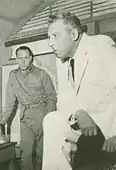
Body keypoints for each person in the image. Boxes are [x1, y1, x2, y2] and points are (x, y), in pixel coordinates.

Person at [42, 11, 116, 170]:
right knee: (51, 120)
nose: (50, 43)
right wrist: (78, 113)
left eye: (55, 36)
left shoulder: (101, 45)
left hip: (108, 129)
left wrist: (115, 134)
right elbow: (63, 103)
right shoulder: (61, 60)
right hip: (83, 128)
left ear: (74, 34)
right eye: (49, 37)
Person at [0, 46, 57, 170]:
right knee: (25, 153)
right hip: (25, 118)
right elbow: (10, 103)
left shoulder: (42, 74)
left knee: (41, 153)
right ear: (16, 59)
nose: (23, 61)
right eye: (20, 58)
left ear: (31, 58)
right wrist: (2, 121)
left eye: (26, 58)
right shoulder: (12, 76)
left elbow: (51, 97)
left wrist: (49, 118)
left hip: (41, 115)